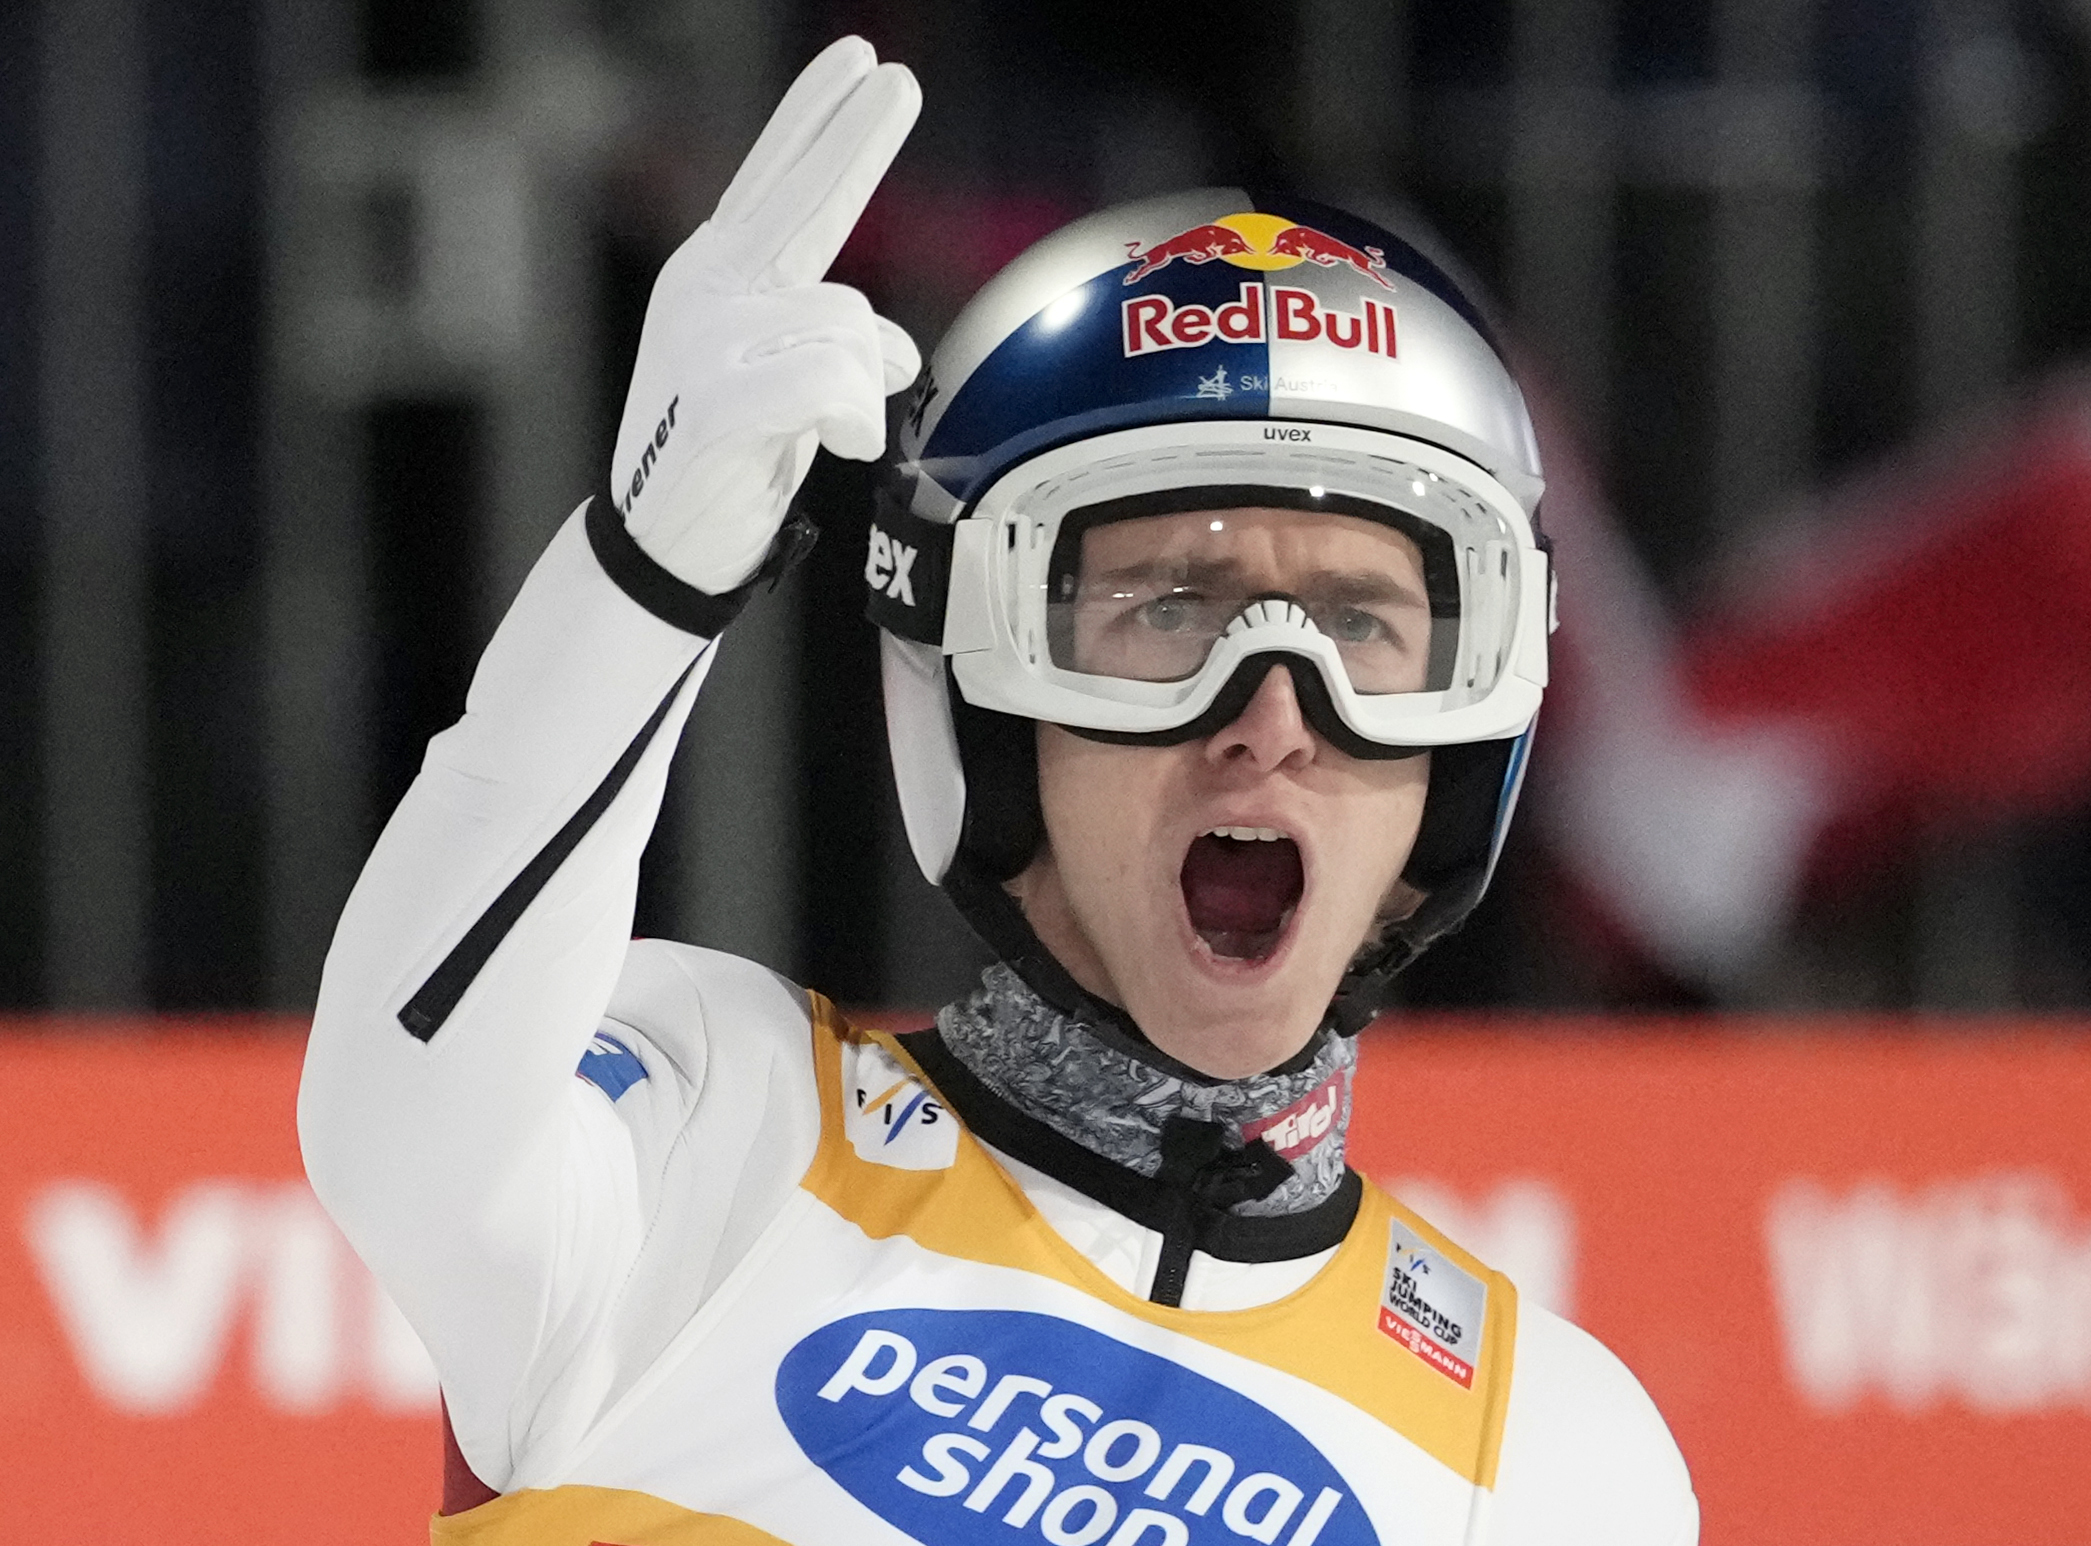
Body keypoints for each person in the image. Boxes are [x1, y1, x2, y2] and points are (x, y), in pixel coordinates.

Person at [299, 35, 1698, 1546]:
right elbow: (401, 1130)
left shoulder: (1558, 1455)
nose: (1273, 719)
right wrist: (647, 577)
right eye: (1168, 610)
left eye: (1364, 626)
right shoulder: (724, 1118)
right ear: (981, 695)